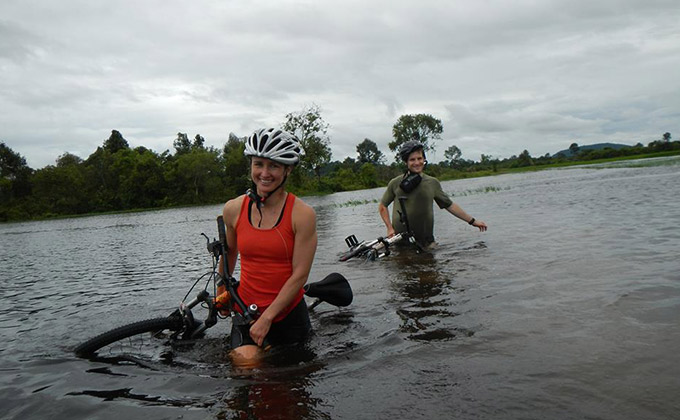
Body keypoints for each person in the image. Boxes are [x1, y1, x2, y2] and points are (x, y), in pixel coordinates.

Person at [218, 128, 317, 367]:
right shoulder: (233, 209)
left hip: (287, 314)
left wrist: (269, 317)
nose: (264, 173)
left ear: (287, 169)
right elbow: (229, 252)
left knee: (292, 384)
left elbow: (300, 274)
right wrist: (222, 290)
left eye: (273, 166)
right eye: (258, 164)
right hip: (247, 309)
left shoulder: (302, 214)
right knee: (245, 368)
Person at [378, 140, 487, 247]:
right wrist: (389, 228)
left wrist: (473, 221)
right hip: (400, 241)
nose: (417, 163)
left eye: (419, 158)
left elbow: (449, 205)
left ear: (424, 159)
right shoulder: (395, 183)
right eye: (412, 160)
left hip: (427, 240)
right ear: (406, 162)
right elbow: (383, 206)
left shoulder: (432, 183)